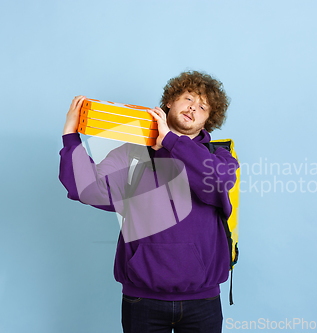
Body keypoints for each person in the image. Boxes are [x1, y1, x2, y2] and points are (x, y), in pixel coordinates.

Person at [59, 70, 238, 332]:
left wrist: (171, 142)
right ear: (169, 102)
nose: (193, 108)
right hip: (142, 298)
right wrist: (70, 135)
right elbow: (87, 189)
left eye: (203, 106)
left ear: (208, 120)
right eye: (188, 98)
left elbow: (217, 181)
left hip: (203, 299)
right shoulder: (132, 153)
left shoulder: (220, 158)